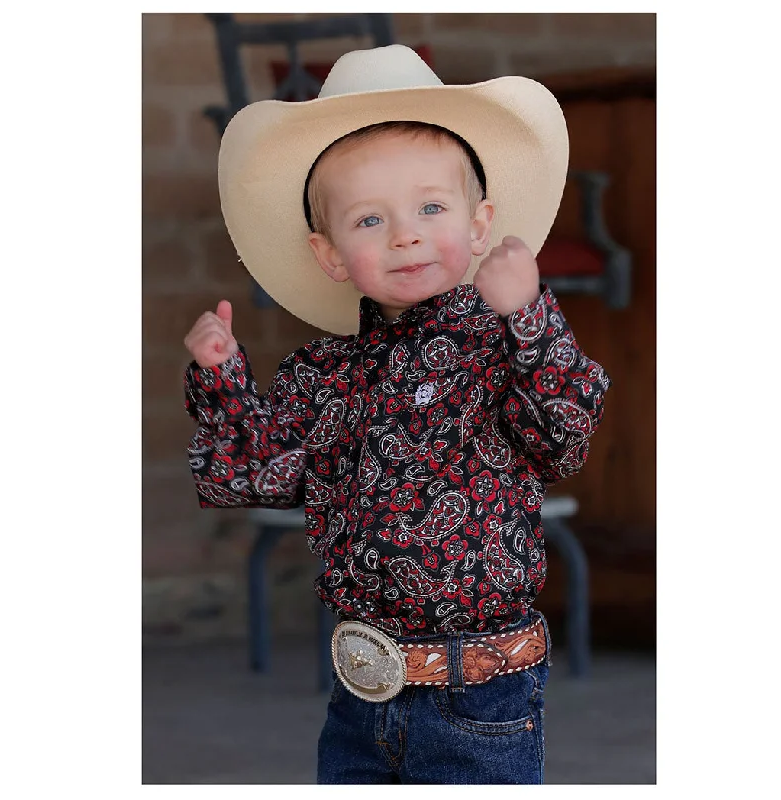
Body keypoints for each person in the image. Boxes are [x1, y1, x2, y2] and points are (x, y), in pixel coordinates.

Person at [183, 45, 610, 784]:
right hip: (361, 691)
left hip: (479, 696)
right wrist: (221, 379)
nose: (404, 233)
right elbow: (251, 476)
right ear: (331, 254)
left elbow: (565, 431)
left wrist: (530, 317)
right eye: (370, 219)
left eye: (431, 208)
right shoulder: (324, 374)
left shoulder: (500, 345)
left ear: (480, 228)